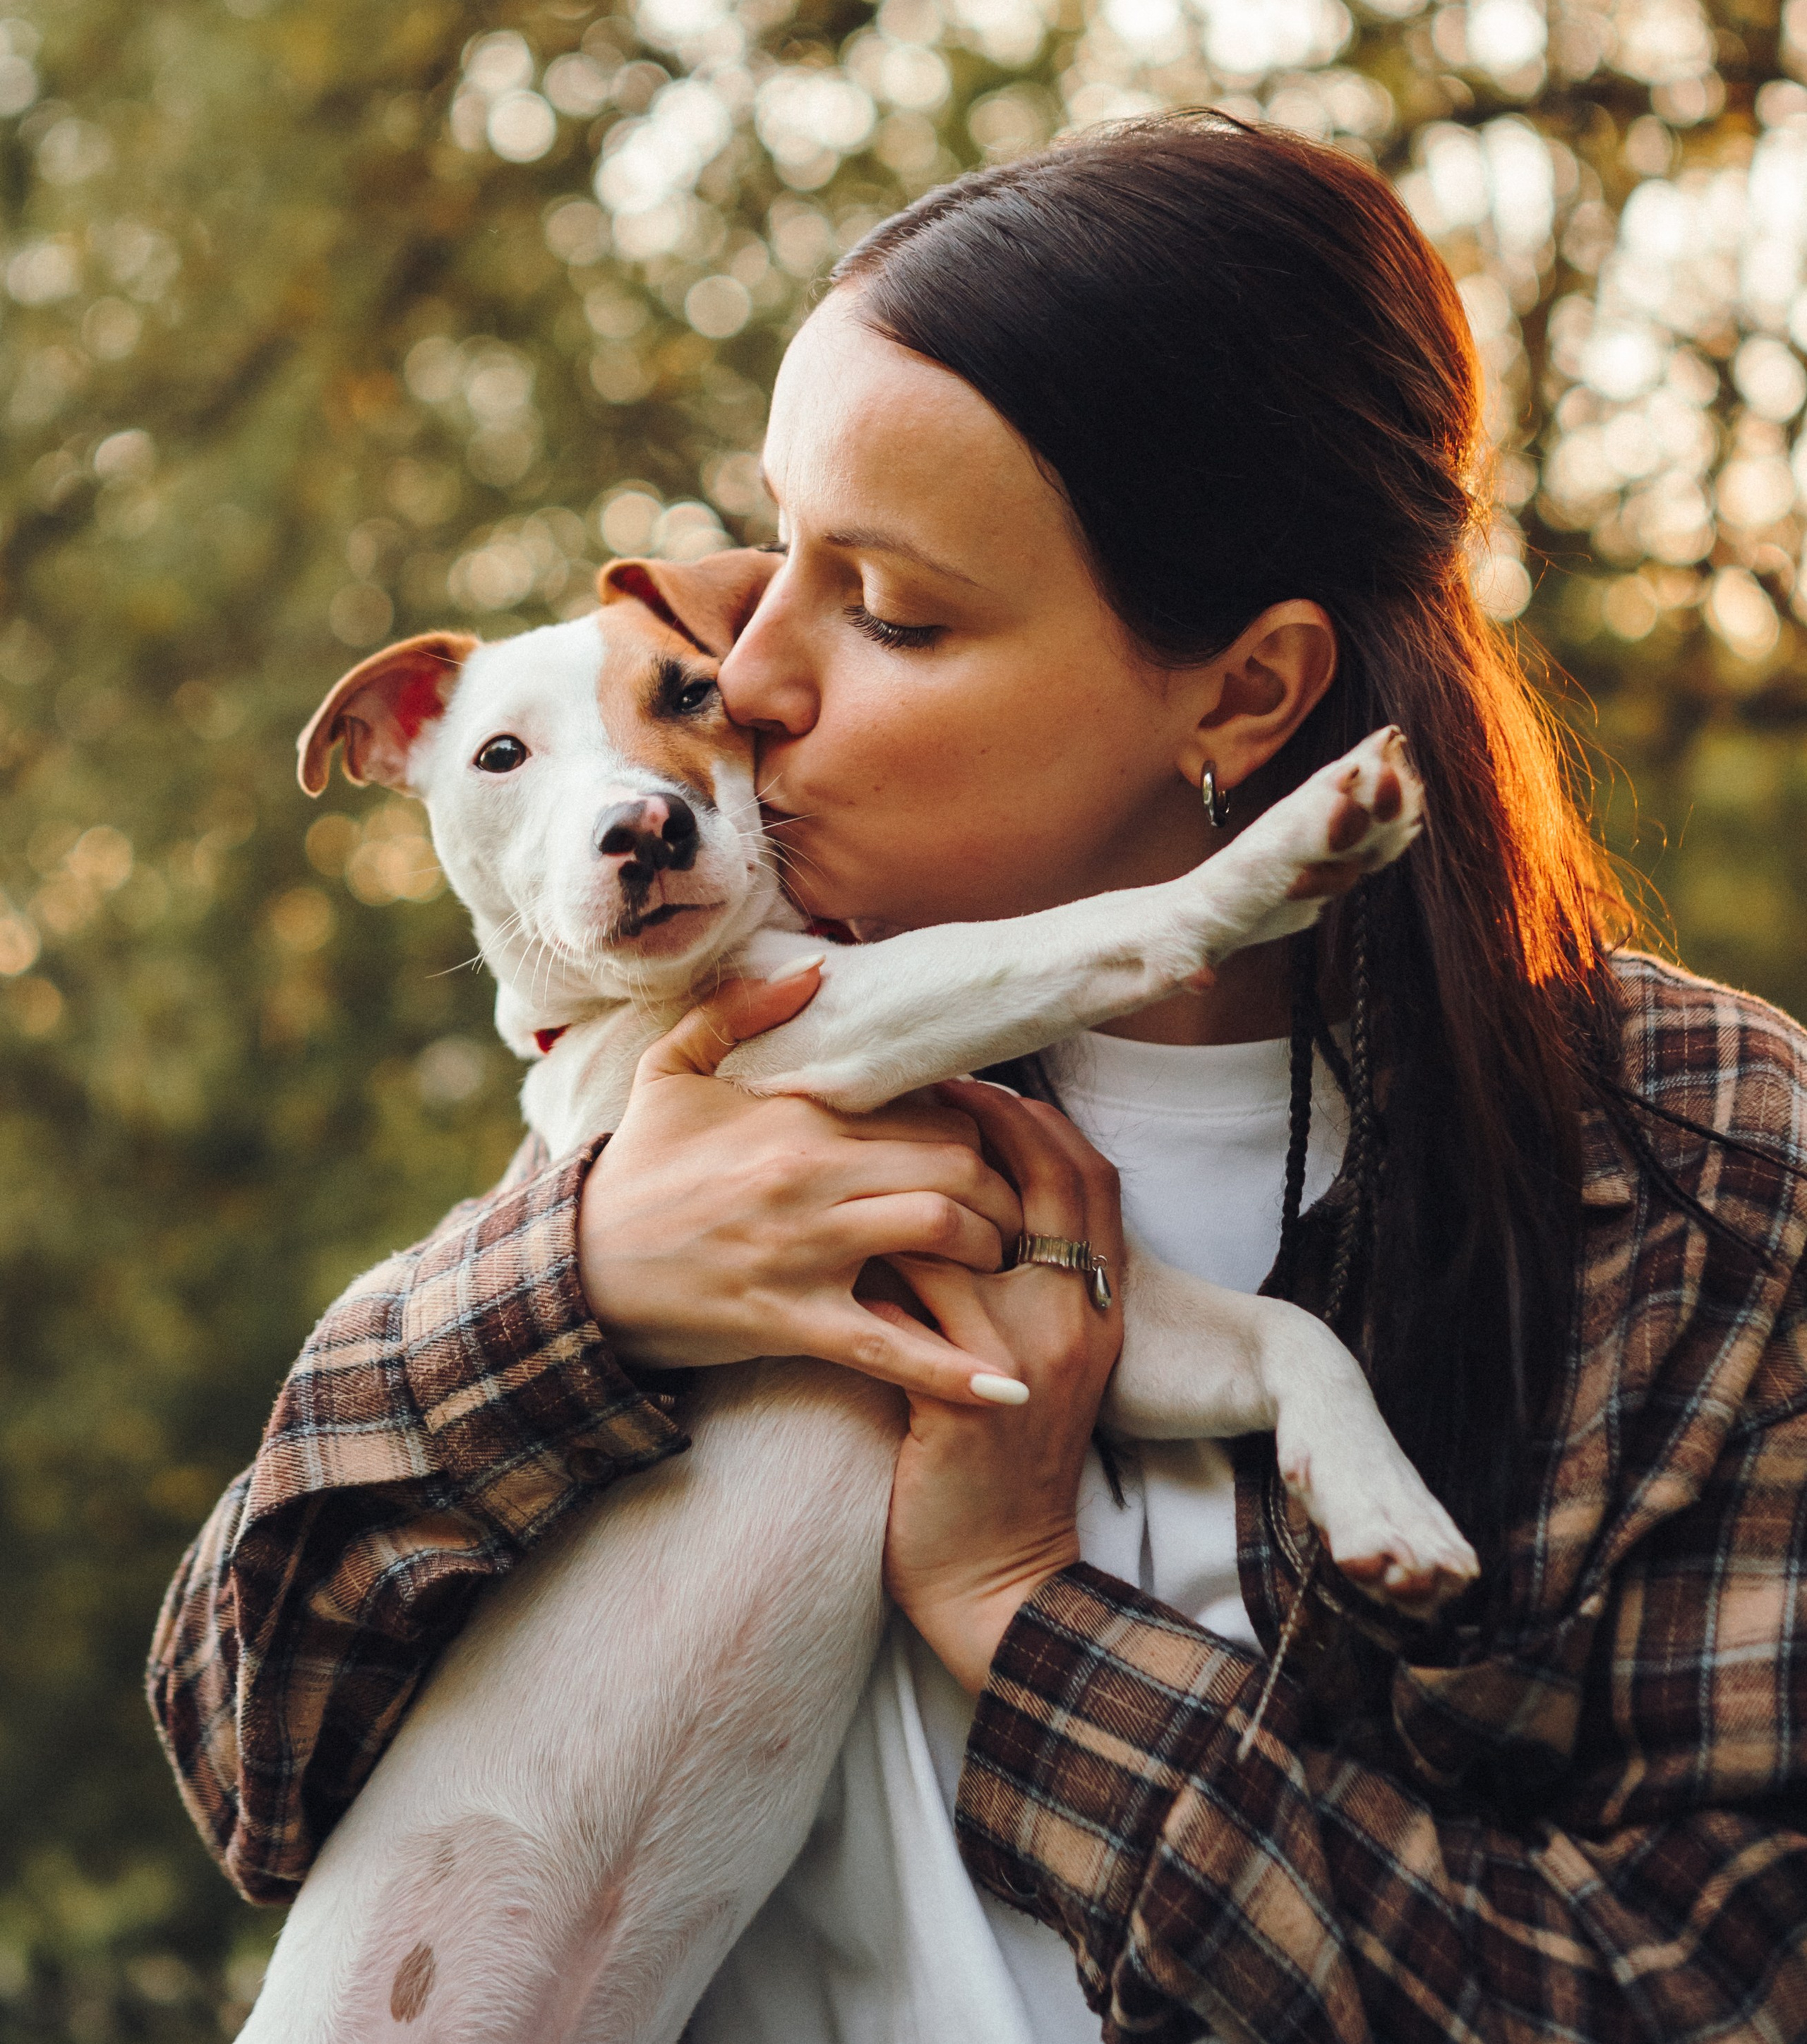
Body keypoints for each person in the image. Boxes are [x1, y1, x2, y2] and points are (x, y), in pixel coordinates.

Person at [149, 116, 1807, 2040]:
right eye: (775, 554)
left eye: (890, 610)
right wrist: (570, 1288)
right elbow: (245, 1756)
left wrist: (1025, 1617)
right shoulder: (724, 1057)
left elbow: (1697, 1992)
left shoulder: (1691, 1167)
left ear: (1244, 692)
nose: (746, 682)